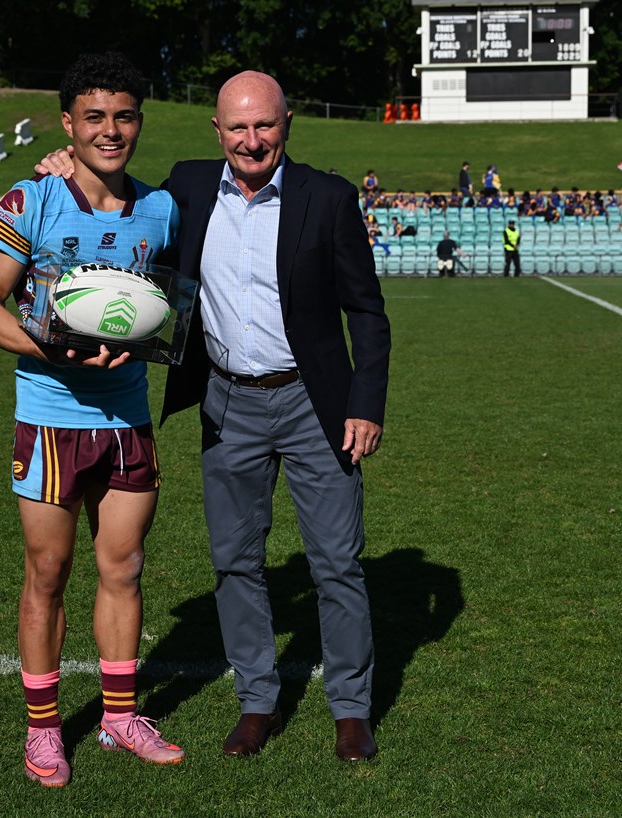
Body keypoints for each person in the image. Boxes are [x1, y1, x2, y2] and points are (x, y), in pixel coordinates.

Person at [36, 70, 391, 763]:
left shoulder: (330, 197)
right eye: (238, 127)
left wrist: (365, 405)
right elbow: (110, 197)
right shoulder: (187, 189)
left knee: (337, 563)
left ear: (286, 124)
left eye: (264, 125)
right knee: (234, 562)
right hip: (228, 402)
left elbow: (367, 313)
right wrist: (60, 164)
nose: (252, 140)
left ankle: (351, 709)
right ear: (217, 131)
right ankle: (257, 702)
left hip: (316, 406)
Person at [0, 51, 185, 790]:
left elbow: (162, 304)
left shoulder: (161, 209)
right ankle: (44, 731)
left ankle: (121, 719)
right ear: (69, 123)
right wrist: (57, 352)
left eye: (124, 116)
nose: (110, 130)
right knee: (48, 573)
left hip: (127, 421)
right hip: (51, 418)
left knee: (123, 567)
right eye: (94, 117)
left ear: (139, 122)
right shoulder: (33, 199)